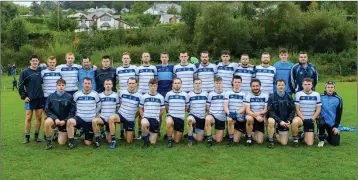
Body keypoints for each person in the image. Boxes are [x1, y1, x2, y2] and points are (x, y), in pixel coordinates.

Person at [66, 78, 101, 149]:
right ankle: (71, 143)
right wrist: (76, 113)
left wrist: (94, 112)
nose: (87, 85)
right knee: (70, 122)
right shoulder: (76, 94)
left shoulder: (95, 94)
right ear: (82, 84)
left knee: (88, 143)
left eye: (89, 83)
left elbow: (99, 105)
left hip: (90, 120)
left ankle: (88, 134)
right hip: (79, 119)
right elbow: (73, 106)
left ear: (91, 85)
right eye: (85, 83)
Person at [108, 77, 142, 148]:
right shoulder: (121, 92)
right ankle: (113, 140)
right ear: (127, 84)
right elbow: (119, 103)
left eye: (133, 83)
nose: (131, 85)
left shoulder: (140, 96)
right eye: (130, 83)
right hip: (121, 114)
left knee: (129, 141)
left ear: (136, 84)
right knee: (111, 118)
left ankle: (130, 132)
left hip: (130, 119)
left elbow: (140, 109)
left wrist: (134, 116)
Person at [19, 55, 45, 143]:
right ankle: (27, 137)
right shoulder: (25, 72)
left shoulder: (40, 71)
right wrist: (24, 97)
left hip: (40, 98)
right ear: (30, 61)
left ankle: (36, 136)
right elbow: (20, 85)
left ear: (38, 62)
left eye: (36, 61)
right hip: (29, 99)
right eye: (33, 61)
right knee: (28, 117)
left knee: (38, 117)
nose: (35, 62)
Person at [43, 79, 76, 150]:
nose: (61, 87)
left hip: (64, 122)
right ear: (56, 86)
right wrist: (55, 119)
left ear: (65, 86)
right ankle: (48, 142)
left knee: (62, 143)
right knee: (47, 121)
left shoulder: (69, 97)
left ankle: (60, 132)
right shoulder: (51, 97)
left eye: (63, 85)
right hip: (55, 120)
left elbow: (72, 111)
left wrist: (65, 120)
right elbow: (47, 110)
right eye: (59, 85)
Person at [291, 78, 321, 147]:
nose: (307, 86)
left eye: (309, 84)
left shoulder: (316, 95)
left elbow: (318, 109)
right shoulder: (298, 94)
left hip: (311, 119)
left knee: (309, 143)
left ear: (312, 85)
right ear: (302, 85)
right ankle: (295, 140)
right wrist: (303, 118)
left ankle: (302, 134)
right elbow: (297, 109)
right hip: (301, 118)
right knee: (295, 121)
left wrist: (312, 119)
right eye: (305, 84)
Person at [267, 79, 295, 148]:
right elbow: (270, 111)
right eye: (279, 85)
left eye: (282, 85)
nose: (281, 86)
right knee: (270, 121)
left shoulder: (289, 96)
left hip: (284, 122)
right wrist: (279, 121)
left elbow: (293, 110)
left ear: (285, 86)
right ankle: (271, 141)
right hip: (275, 120)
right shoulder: (272, 97)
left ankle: (276, 134)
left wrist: (289, 120)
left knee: (284, 143)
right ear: (276, 86)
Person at [116, 52, 138, 139]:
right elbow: (117, 81)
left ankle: (132, 130)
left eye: (127, 58)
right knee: (121, 112)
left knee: (132, 112)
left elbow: (137, 80)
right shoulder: (118, 69)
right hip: (122, 94)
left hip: (133, 93)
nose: (125, 60)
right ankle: (121, 132)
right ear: (122, 59)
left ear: (130, 59)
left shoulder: (134, 68)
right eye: (124, 58)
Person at [92, 79, 119, 148]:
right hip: (102, 117)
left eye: (109, 84)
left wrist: (116, 117)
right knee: (94, 121)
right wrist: (97, 115)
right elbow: (97, 107)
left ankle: (112, 140)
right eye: (106, 84)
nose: (108, 85)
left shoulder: (116, 95)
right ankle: (97, 140)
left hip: (111, 119)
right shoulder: (100, 95)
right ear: (104, 85)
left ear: (112, 85)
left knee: (108, 140)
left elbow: (118, 108)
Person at [137, 52, 157, 139]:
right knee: (140, 112)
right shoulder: (138, 68)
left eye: (147, 56)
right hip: (141, 93)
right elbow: (137, 79)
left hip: (152, 93)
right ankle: (141, 131)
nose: (146, 58)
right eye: (144, 56)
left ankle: (156, 130)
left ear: (150, 58)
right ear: (142, 58)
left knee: (155, 112)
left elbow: (155, 80)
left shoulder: (153, 68)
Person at [139, 78, 165, 148]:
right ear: (148, 86)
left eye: (154, 86)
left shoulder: (161, 97)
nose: (153, 88)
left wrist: (157, 115)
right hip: (146, 118)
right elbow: (140, 108)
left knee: (153, 142)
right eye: (151, 86)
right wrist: (143, 116)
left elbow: (163, 109)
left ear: (157, 86)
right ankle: (145, 141)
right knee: (144, 123)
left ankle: (149, 133)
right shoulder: (144, 97)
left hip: (155, 119)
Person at [164, 78, 189, 148]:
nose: (177, 85)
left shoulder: (185, 94)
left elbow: (187, 106)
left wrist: (181, 111)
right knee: (169, 122)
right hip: (171, 115)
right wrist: (170, 112)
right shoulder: (168, 94)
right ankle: (169, 140)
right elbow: (166, 105)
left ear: (181, 84)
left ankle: (170, 132)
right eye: (175, 83)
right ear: (172, 84)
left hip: (180, 118)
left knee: (177, 141)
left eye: (178, 83)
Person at [318, 81, 343, 147]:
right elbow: (316, 108)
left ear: (334, 88)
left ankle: (326, 136)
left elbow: (339, 113)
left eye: (332, 87)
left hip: (332, 123)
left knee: (335, 143)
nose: (330, 89)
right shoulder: (320, 96)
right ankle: (321, 139)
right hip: (322, 121)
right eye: (328, 87)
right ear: (325, 88)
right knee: (321, 123)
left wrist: (336, 126)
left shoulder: (338, 99)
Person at [244, 79, 269, 146]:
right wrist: (256, 116)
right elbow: (247, 110)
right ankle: (249, 138)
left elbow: (266, 109)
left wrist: (258, 114)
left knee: (260, 141)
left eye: (257, 86)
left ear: (260, 86)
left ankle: (249, 132)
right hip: (251, 115)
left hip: (260, 117)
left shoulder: (265, 95)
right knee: (249, 119)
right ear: (251, 87)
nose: (255, 88)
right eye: (253, 86)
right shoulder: (248, 95)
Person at [224, 76, 246, 146]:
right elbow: (225, 106)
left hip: (240, 117)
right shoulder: (228, 93)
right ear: (232, 83)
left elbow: (244, 107)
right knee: (230, 119)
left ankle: (232, 133)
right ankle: (230, 139)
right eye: (235, 82)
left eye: (238, 82)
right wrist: (229, 113)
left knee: (236, 140)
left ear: (241, 83)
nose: (237, 84)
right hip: (231, 115)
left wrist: (237, 113)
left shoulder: (244, 94)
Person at [156, 52, 174, 137]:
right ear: (160, 58)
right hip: (159, 92)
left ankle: (169, 132)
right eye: (162, 57)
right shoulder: (157, 67)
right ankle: (157, 130)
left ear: (168, 58)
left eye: (165, 57)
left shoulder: (172, 67)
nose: (164, 58)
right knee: (158, 113)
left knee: (169, 112)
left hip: (169, 91)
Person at [204, 77, 226, 147]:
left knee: (218, 140)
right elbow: (208, 106)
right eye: (217, 83)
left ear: (222, 84)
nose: (218, 85)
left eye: (220, 83)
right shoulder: (211, 94)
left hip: (221, 118)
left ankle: (208, 134)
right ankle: (209, 139)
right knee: (208, 119)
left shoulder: (226, 93)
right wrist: (209, 114)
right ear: (214, 84)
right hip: (213, 116)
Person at [187, 78, 208, 145]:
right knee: (189, 120)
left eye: (199, 83)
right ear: (193, 84)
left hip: (201, 118)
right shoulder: (190, 94)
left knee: (199, 139)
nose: (197, 85)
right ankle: (190, 139)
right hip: (193, 115)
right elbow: (188, 108)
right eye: (196, 83)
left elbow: (207, 106)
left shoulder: (206, 94)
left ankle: (192, 133)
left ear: (201, 84)